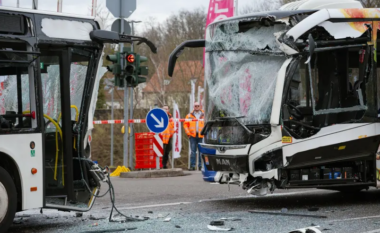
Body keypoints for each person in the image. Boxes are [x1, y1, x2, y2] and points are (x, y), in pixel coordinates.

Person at [184, 102, 204, 170]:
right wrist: (188, 134)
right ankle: (193, 166)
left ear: (200, 106)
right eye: (195, 106)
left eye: (198, 106)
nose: (197, 107)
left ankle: (200, 165)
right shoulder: (189, 115)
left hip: (201, 136)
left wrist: (205, 133)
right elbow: (185, 125)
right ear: (193, 107)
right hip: (192, 136)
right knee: (193, 151)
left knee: (201, 151)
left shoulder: (204, 114)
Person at [160, 105, 174, 169]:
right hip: (161, 137)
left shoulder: (171, 118)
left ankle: (164, 164)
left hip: (168, 137)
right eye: (164, 109)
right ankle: (161, 164)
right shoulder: (159, 116)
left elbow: (173, 127)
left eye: (166, 109)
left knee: (167, 151)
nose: (165, 110)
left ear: (168, 110)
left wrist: (171, 134)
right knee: (160, 152)